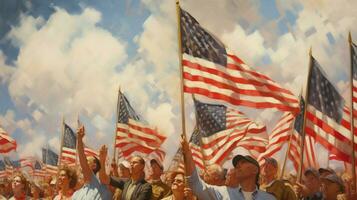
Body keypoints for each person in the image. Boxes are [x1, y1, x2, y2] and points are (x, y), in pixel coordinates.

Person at [180, 135, 275, 200]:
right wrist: (187, 153)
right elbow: (195, 184)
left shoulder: (269, 198)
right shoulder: (223, 193)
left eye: (243, 162)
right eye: (237, 164)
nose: (238, 165)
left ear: (255, 170)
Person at [72, 125, 112, 200]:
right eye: (85, 161)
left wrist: (79, 140)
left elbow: (83, 162)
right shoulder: (76, 194)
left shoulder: (102, 190)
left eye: (87, 161)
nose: (83, 164)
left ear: (94, 166)